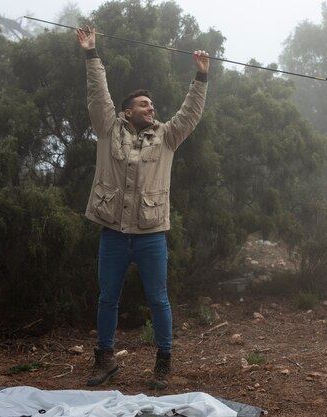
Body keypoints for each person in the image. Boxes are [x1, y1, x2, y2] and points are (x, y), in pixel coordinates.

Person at [76, 25, 209, 389]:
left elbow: (190, 113)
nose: (151, 108)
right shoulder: (108, 128)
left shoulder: (166, 135)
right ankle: (105, 361)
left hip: (151, 235)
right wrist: (92, 53)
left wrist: (200, 77)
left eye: (152, 105)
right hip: (114, 233)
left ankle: (163, 364)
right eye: (143, 104)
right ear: (125, 112)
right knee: (107, 298)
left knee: (158, 299)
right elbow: (97, 95)